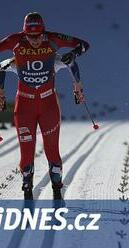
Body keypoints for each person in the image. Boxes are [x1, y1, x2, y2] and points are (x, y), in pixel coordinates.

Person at [0, 12, 89, 200]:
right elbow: (2, 66)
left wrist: (74, 68)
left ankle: (57, 186)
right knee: (26, 151)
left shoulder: (53, 39)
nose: (35, 40)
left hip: (48, 105)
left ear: (44, 31)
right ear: (24, 33)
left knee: (52, 149)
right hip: (24, 106)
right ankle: (27, 185)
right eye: (30, 36)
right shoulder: (14, 41)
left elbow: (83, 45)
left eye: (39, 35)